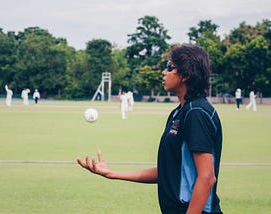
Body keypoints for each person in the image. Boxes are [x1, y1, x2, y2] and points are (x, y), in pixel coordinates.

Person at [77, 44, 223, 214]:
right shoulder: (180, 112)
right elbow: (169, 172)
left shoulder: (196, 113)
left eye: (170, 67)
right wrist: (112, 174)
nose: (164, 72)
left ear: (186, 74)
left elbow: (206, 177)